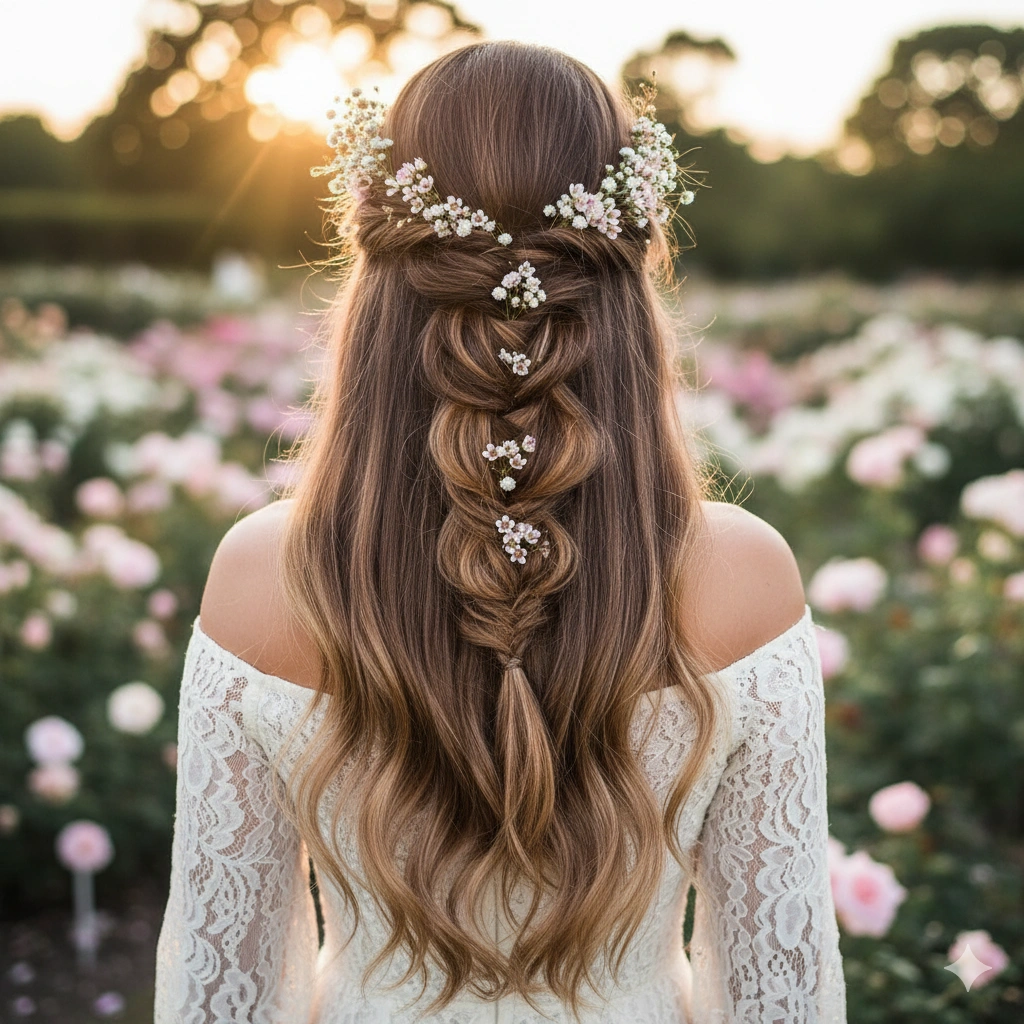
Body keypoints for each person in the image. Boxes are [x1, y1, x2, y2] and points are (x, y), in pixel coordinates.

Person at [154, 41, 846, 1024]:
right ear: (625, 279)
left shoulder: (267, 574)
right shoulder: (741, 574)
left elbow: (218, 994)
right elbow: (782, 996)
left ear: (380, 281)